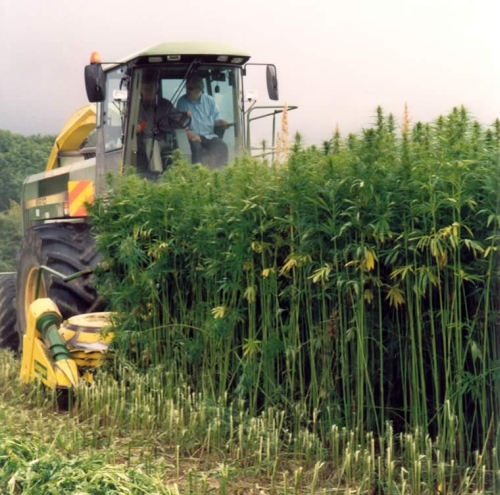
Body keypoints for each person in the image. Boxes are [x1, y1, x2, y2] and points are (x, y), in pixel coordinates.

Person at [137, 73, 190, 172]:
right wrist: (136, 127)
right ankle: (157, 175)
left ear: (156, 89)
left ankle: (184, 175)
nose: (148, 91)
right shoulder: (136, 107)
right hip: (143, 142)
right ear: (141, 90)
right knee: (151, 143)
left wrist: (184, 116)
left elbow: (178, 121)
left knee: (181, 141)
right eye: (146, 88)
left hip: (164, 140)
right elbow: (131, 127)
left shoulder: (166, 105)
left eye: (151, 88)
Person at [176, 74, 229, 167]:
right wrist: (191, 135)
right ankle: (197, 175)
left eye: (191, 88)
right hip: (192, 136)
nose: (188, 90)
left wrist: (223, 122)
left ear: (199, 89)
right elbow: (181, 125)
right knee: (196, 150)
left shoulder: (210, 101)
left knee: (222, 146)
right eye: (187, 88)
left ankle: (222, 173)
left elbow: (217, 119)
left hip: (209, 135)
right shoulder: (182, 102)